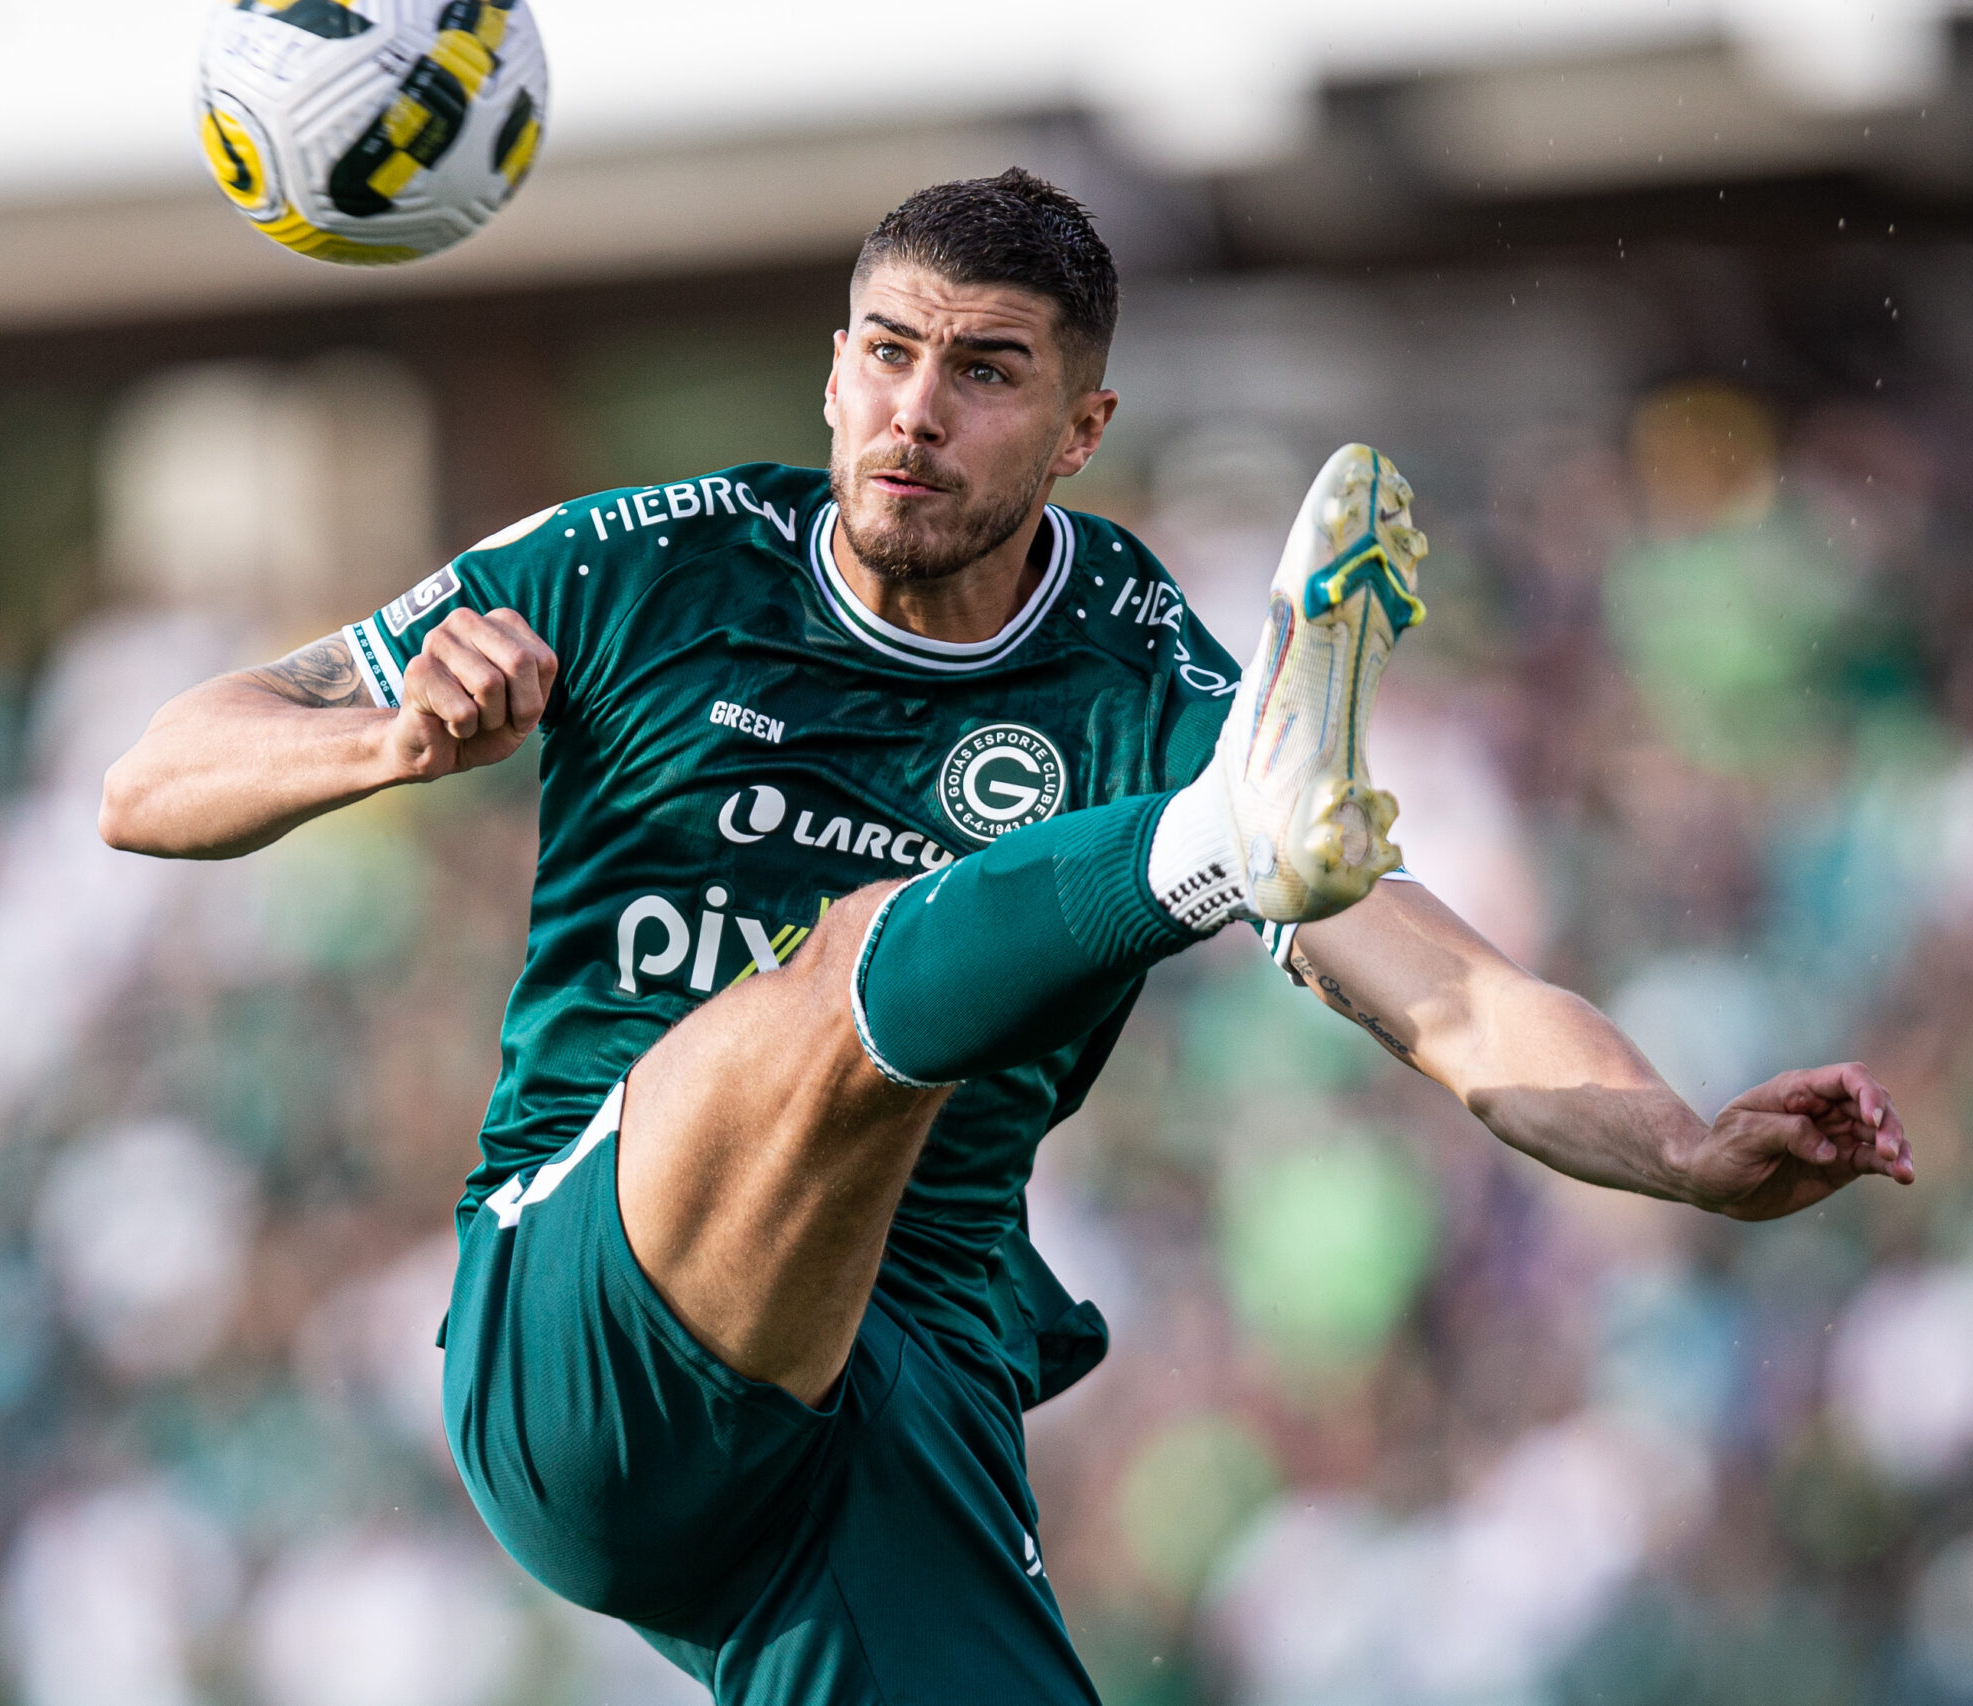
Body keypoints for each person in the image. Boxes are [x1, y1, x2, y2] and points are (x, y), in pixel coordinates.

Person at [99, 170, 1912, 1705]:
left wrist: (1679, 1146)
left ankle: (1210, 857)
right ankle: (1200, 858)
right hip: (589, 1334)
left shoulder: (1139, 672)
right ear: (830, 374)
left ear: (1079, 428)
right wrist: (385, 734)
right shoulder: (642, 564)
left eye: (984, 373)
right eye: (887, 356)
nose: (916, 411)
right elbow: (152, 773)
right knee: (847, 974)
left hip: (901, 1402)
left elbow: (1454, 995)